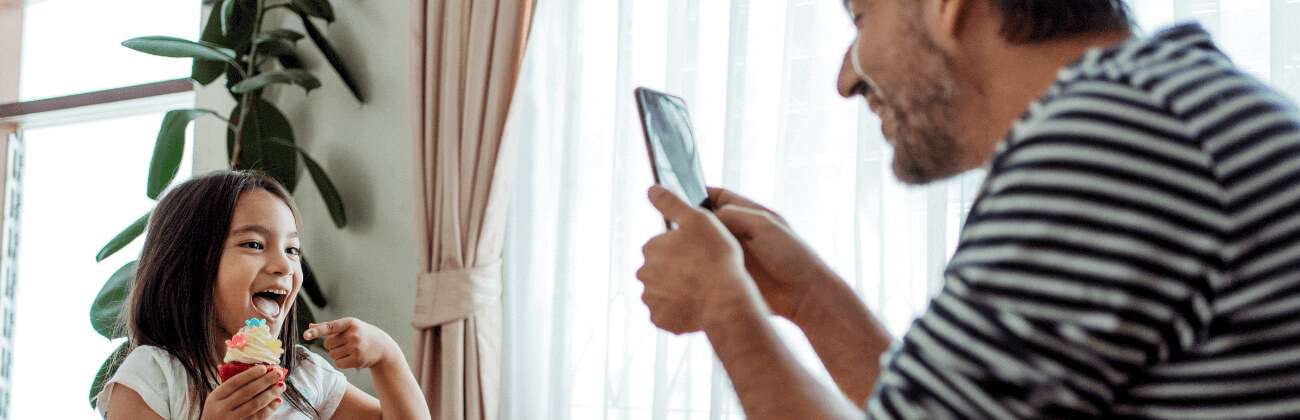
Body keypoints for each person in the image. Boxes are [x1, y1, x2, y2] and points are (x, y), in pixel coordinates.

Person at [636, 0, 1300, 418]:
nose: (845, 78)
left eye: (860, 19)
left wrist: (726, 310)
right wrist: (809, 297)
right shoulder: (1154, 108)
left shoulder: (1105, 139)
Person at [97, 171, 431, 420]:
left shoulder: (304, 375)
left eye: (293, 249)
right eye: (254, 244)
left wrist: (387, 357)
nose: (283, 264)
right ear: (189, 264)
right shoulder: (153, 377)